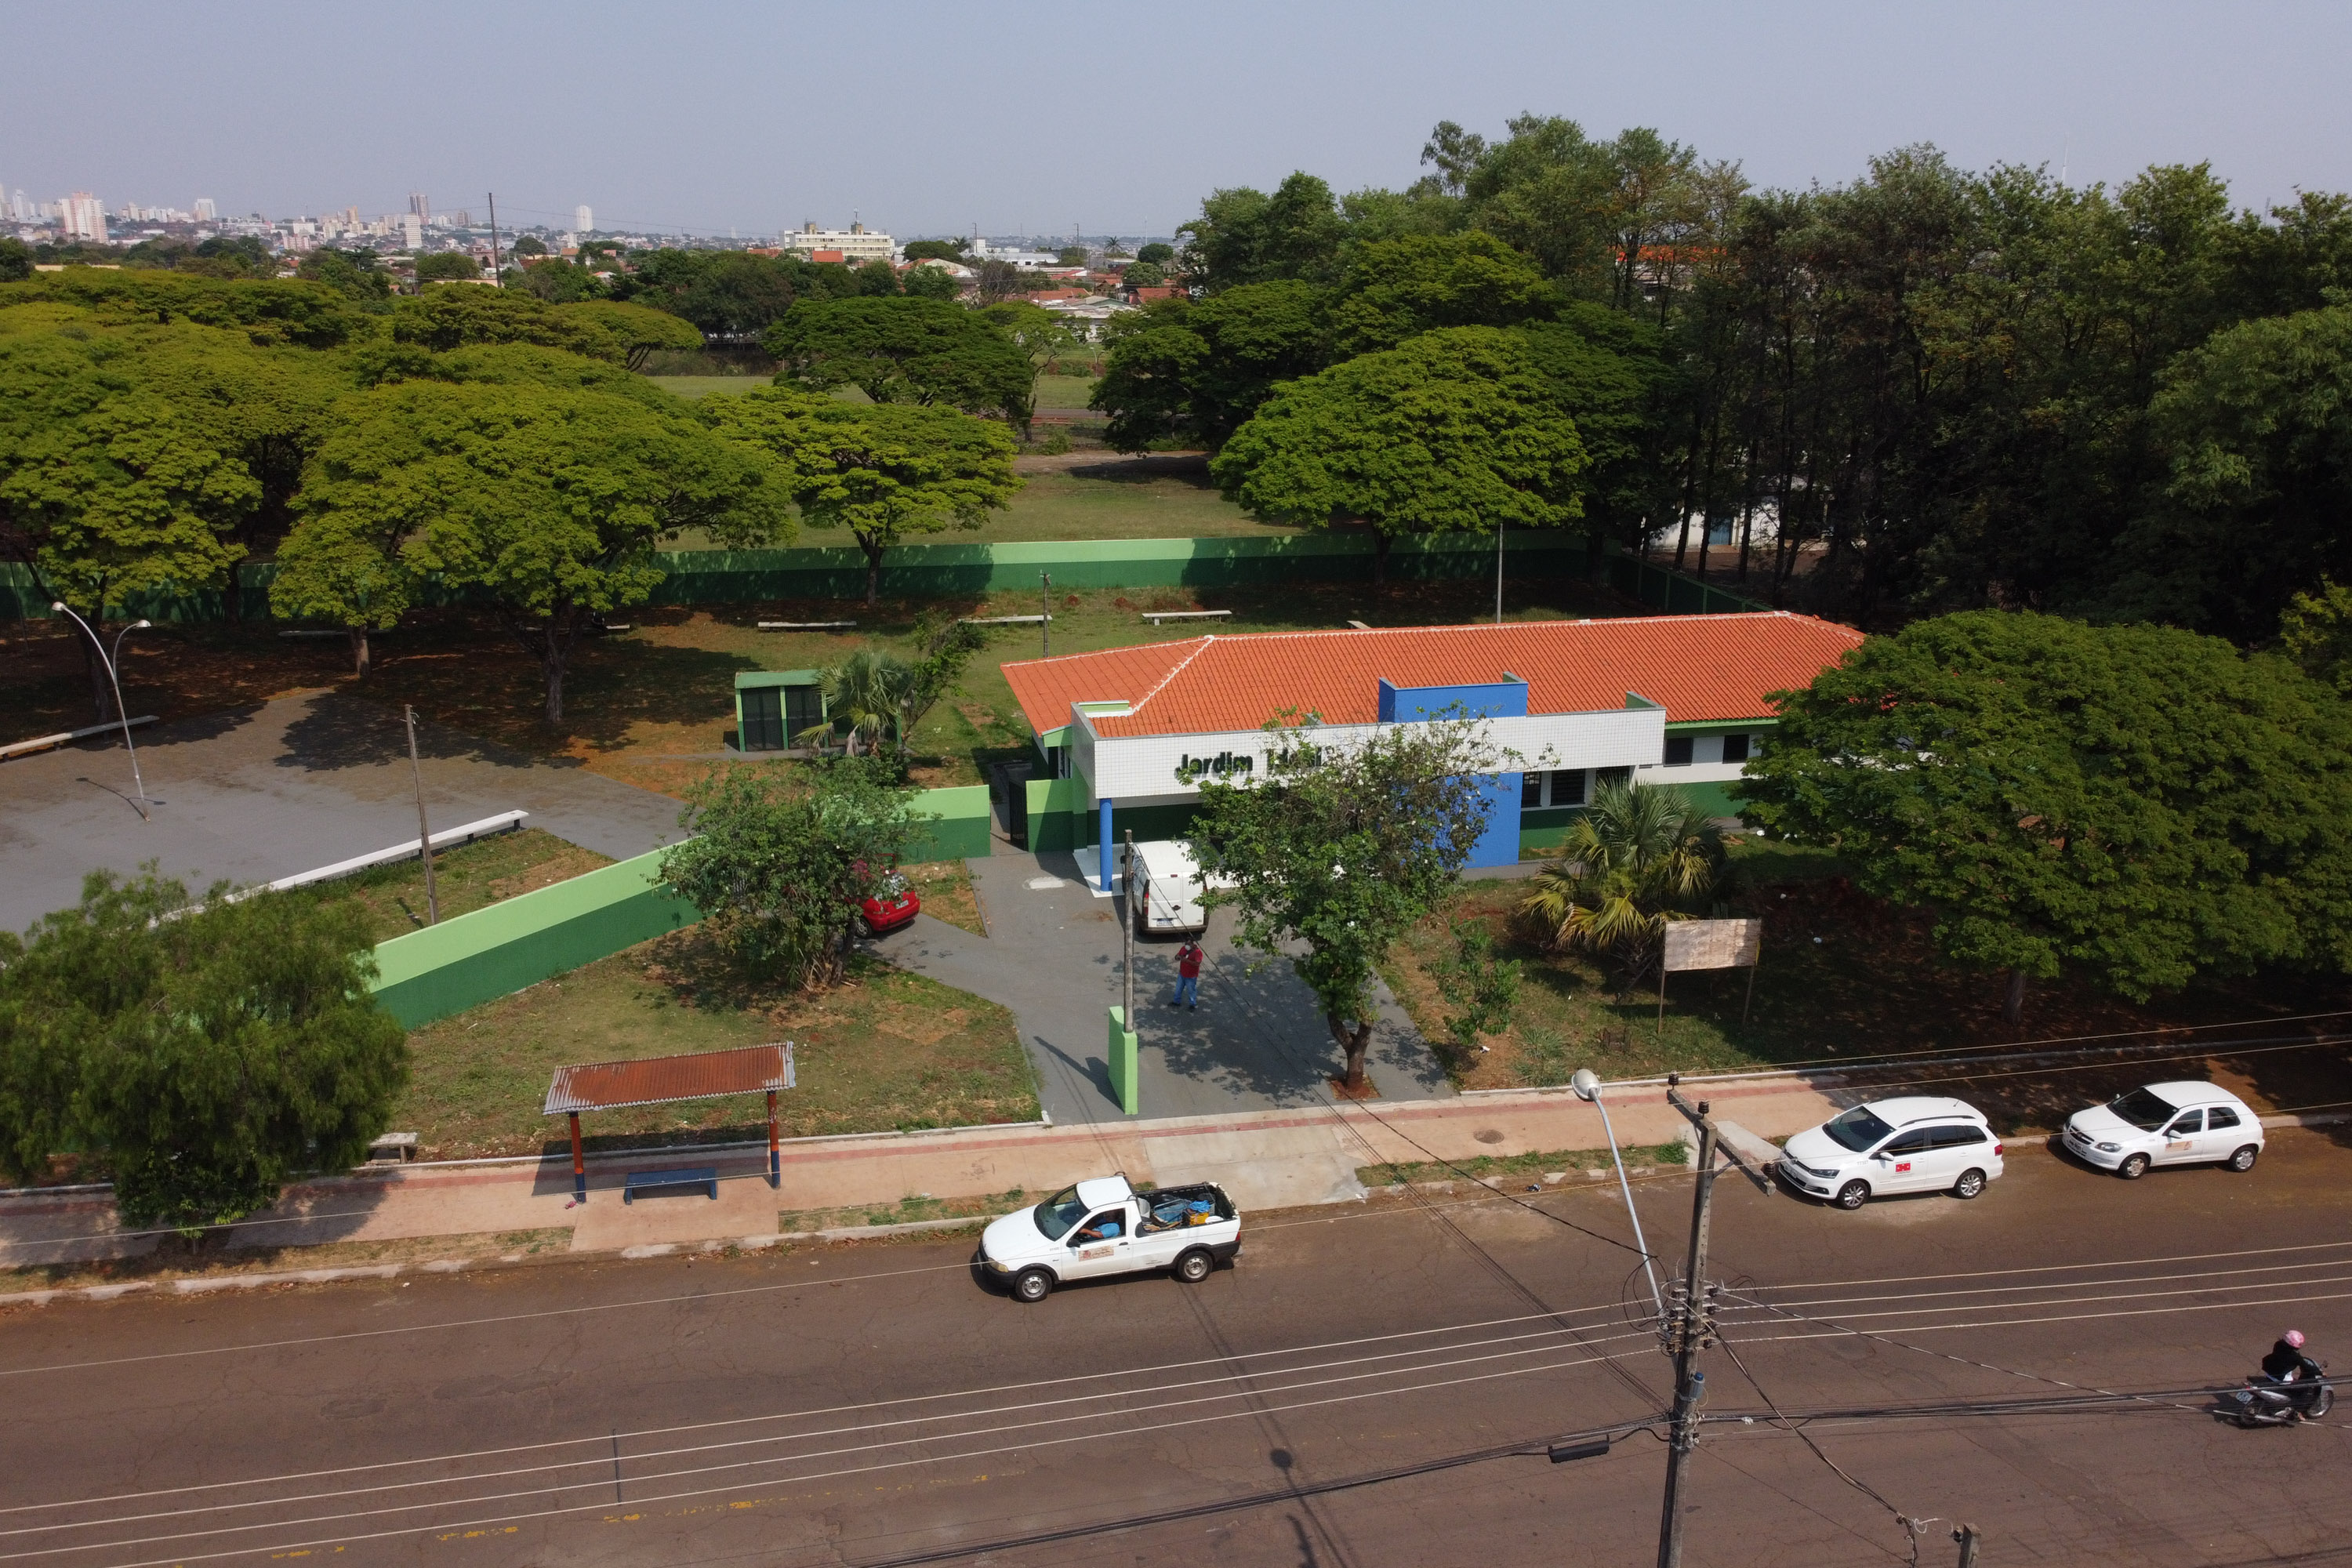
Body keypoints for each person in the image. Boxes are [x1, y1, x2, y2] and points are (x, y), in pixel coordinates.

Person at [1171, 938, 1203, 1010]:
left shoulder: (1198, 952)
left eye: (1189, 944)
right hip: (1182, 974)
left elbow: (1197, 963)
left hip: (1191, 976)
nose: (1187, 946)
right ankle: (1176, 1002)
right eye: (1186, 944)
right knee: (1178, 989)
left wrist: (1186, 961)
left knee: (1191, 991)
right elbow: (1177, 955)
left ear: (1192, 944)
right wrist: (1177, 957)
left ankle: (1192, 1004)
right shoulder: (1183, 949)